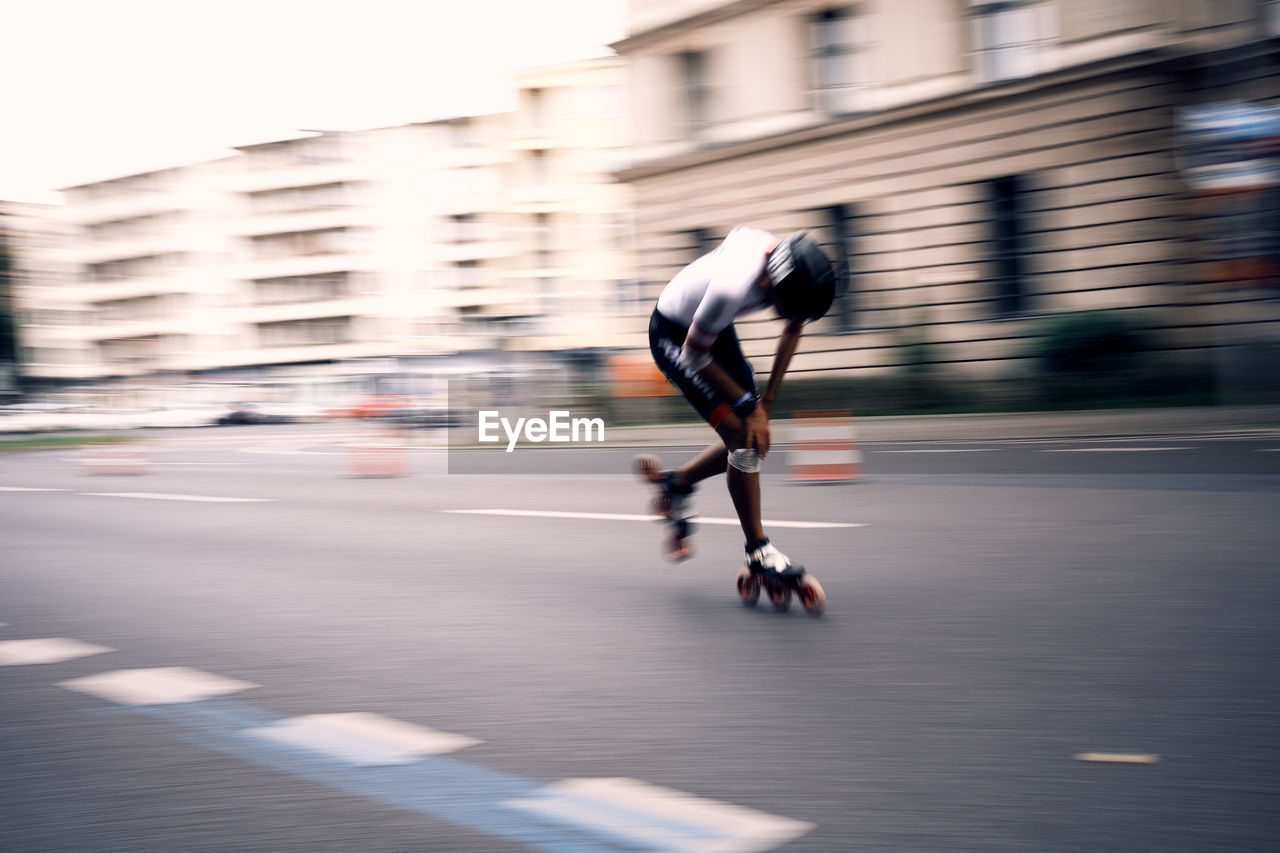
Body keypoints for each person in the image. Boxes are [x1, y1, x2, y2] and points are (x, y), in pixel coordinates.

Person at [634, 225, 837, 574]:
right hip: (674, 333)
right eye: (787, 307)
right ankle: (758, 552)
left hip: (710, 325)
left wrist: (766, 406)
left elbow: (793, 325)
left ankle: (679, 482)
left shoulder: (783, 272)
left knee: (752, 437)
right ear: (770, 286)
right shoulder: (732, 287)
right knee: (743, 439)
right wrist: (749, 406)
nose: (789, 316)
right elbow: (695, 355)